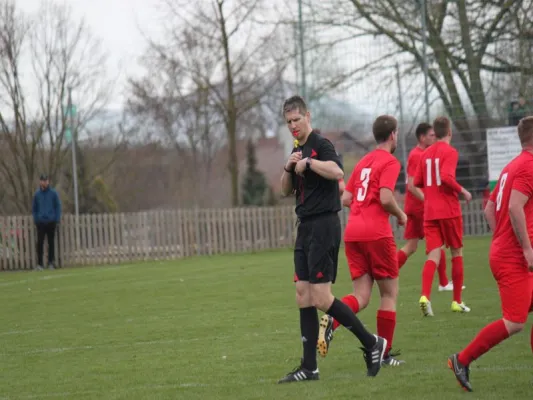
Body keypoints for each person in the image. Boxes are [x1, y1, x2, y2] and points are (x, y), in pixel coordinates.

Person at [277, 95, 387, 384]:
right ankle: (309, 368)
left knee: (321, 298)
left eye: (296, 120)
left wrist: (310, 164)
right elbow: (283, 190)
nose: (293, 126)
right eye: (288, 122)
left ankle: (372, 343)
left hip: (324, 226)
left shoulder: (321, 144)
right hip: (305, 228)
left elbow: (337, 171)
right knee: (302, 294)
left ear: (308, 116)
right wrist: (289, 167)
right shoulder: (297, 149)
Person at [448, 116, 533, 392]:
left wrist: (502, 237)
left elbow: (489, 208)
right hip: (514, 257)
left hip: (506, 250)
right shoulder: (529, 167)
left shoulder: (512, 166)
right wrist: (525, 248)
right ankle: (461, 360)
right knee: (515, 322)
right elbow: (514, 208)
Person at [317, 115, 406, 367]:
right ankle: (384, 355)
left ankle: (331, 322)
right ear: (392, 135)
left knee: (361, 295)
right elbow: (387, 197)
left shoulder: (363, 161)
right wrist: (401, 215)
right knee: (388, 294)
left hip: (353, 233)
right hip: (377, 233)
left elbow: (345, 199)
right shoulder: (389, 161)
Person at [414, 117, 472, 316]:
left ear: (435, 133)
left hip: (430, 211)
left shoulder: (425, 153)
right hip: (448, 210)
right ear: (450, 132)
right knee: (457, 252)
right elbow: (446, 177)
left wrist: (431, 190)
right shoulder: (451, 152)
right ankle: (456, 301)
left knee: (433, 254)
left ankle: (424, 296)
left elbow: (418, 181)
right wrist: (462, 190)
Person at [398, 123, 453, 291]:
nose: (434, 138)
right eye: (431, 135)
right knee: (437, 243)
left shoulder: (422, 154)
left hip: (414, 206)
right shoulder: (418, 155)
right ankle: (443, 283)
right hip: (420, 207)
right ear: (422, 138)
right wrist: (428, 200)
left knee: (412, 246)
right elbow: (413, 186)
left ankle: (386, 273)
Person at [32, 174, 61, 270]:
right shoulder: (37, 194)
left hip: (51, 221)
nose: (44, 182)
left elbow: (57, 206)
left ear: (48, 181)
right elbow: (34, 208)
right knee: (40, 243)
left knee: (51, 243)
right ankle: (40, 264)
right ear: (40, 182)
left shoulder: (53, 193)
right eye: (42, 180)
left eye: (45, 180)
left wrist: (56, 219)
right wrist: (36, 219)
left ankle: (50, 263)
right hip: (41, 222)